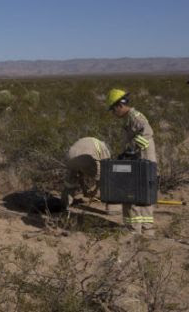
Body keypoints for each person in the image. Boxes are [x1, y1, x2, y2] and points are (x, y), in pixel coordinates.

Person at [106, 89, 156, 237]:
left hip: (140, 160)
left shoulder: (135, 117)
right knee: (143, 194)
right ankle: (146, 228)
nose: (113, 114)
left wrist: (131, 149)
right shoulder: (130, 118)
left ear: (119, 106)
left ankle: (134, 229)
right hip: (140, 159)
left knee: (131, 193)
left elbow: (147, 132)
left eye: (113, 110)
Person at [62, 137, 122, 215]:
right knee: (108, 178)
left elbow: (80, 173)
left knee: (70, 181)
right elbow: (104, 175)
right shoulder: (104, 149)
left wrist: (84, 189)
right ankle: (114, 209)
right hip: (88, 158)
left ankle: (65, 203)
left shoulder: (88, 142)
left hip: (70, 157)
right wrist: (95, 190)